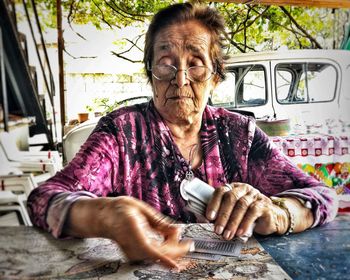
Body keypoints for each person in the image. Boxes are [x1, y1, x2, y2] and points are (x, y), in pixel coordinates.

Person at [28, 2, 338, 269]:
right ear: (150, 73)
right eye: (166, 64)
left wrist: (278, 213)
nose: (180, 80)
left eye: (195, 64)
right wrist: (104, 217)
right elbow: (44, 198)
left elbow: (323, 197)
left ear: (215, 77)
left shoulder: (239, 134)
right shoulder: (122, 132)